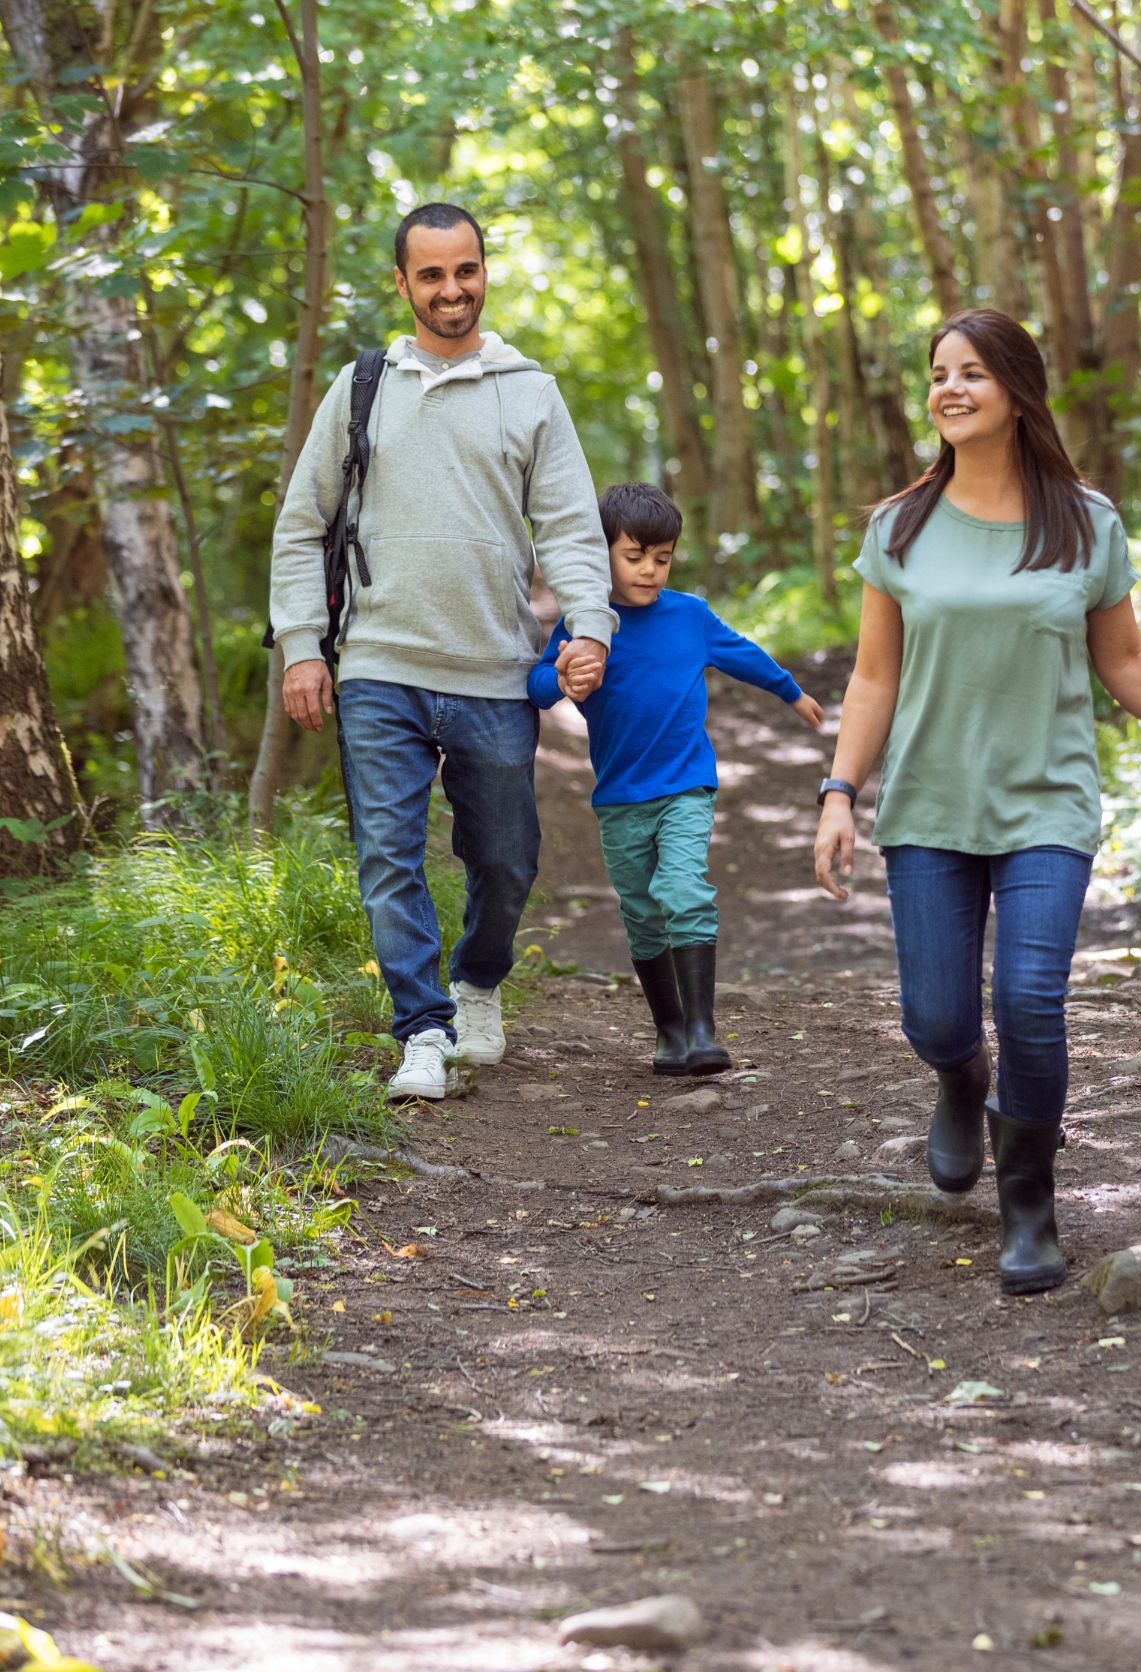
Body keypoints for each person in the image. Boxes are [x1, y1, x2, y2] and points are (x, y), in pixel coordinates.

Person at [812, 309, 1141, 1297]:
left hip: (1047, 806)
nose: (950, 390)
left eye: (972, 373)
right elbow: (874, 678)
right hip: (930, 805)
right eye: (939, 373)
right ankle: (960, 1080)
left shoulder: (1085, 522)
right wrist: (839, 791)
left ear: (1017, 391)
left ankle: (1028, 1201)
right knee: (938, 1019)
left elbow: (1128, 664)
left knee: (1029, 1001)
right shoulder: (900, 527)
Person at [269, 202, 617, 1101]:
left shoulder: (530, 391)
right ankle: (421, 1029)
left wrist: (590, 623)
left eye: (465, 270)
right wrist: (303, 646)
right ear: (403, 283)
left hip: (492, 668)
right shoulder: (362, 387)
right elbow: (302, 524)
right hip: (377, 662)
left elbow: (571, 526)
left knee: (506, 857)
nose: (451, 289)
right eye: (431, 274)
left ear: (484, 272)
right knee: (388, 857)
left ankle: (478, 982)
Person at [531, 483, 826, 1076]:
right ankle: (669, 1031)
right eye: (634, 556)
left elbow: (742, 652)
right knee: (642, 913)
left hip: (686, 785)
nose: (649, 570)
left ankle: (702, 1029)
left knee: (684, 890)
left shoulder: (689, 616)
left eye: (662, 558)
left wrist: (791, 691)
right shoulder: (585, 626)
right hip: (619, 797)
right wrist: (562, 678)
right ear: (601, 554)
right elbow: (537, 687)